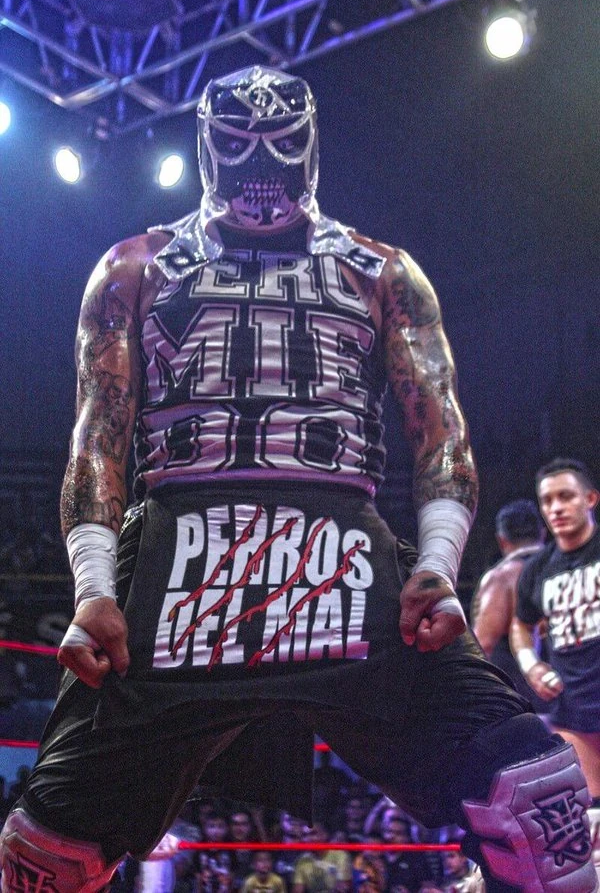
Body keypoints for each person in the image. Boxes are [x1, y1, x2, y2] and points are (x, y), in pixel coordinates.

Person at [0, 65, 597, 893]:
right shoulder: (136, 267)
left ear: (313, 146)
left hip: (340, 559)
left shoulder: (381, 272)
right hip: (180, 562)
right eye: (239, 143)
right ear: (205, 147)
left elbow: (442, 432)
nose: (261, 164)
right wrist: (94, 586)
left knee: (540, 806)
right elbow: (97, 437)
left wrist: (436, 565)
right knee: (46, 856)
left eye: (282, 144)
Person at [511, 457, 600, 873]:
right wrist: (531, 665)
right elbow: (521, 624)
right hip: (574, 704)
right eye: (547, 500)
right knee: (591, 814)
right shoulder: (537, 569)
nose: (556, 508)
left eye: (566, 497)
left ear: (590, 499)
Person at [471, 499, 547, 707]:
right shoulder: (569, 568)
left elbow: (482, 647)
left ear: (502, 540)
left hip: (522, 704)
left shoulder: (502, 577)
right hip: (579, 698)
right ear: (543, 533)